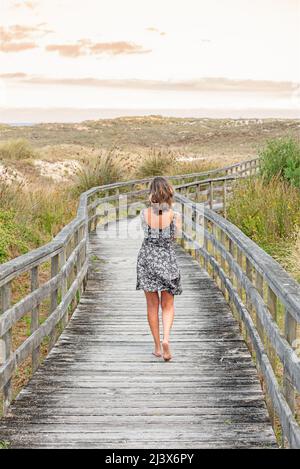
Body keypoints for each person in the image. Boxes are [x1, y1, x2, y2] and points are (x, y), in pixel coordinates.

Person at [136, 176, 183, 361]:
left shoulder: (143, 214)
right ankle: (166, 339)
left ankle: (157, 347)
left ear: (152, 194)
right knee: (168, 305)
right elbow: (175, 237)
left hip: (147, 259)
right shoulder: (175, 215)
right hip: (166, 260)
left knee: (152, 305)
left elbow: (146, 233)